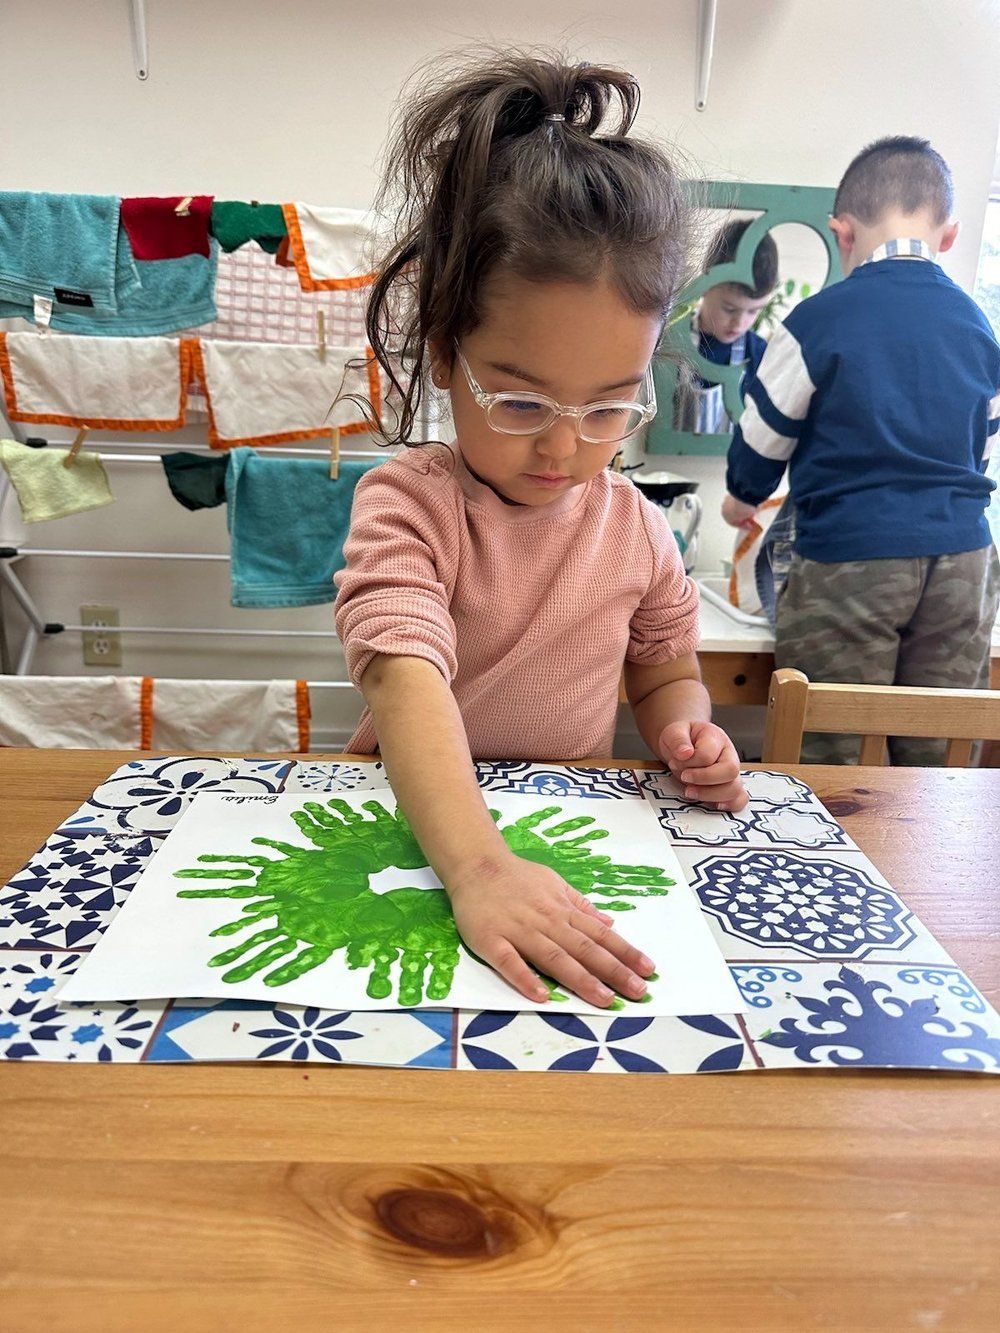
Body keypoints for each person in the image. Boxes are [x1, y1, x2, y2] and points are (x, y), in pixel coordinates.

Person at [335, 52, 748, 1009]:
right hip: (412, 834)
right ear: (445, 355)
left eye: (610, 408)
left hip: (566, 841)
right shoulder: (411, 504)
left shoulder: (638, 528)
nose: (565, 445)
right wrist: (477, 868)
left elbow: (661, 664)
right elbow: (405, 678)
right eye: (519, 401)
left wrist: (686, 729)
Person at [722, 135, 1000, 763]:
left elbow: (765, 434)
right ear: (949, 236)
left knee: (828, 746)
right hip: (964, 556)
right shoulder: (976, 324)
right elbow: (980, 445)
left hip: (855, 551)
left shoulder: (819, 321)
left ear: (841, 233)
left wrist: (742, 499)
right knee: (938, 753)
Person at [687, 219, 777, 434]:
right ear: (705, 287)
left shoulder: (759, 354)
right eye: (729, 309)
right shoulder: (675, 339)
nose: (740, 323)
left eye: (754, 311)